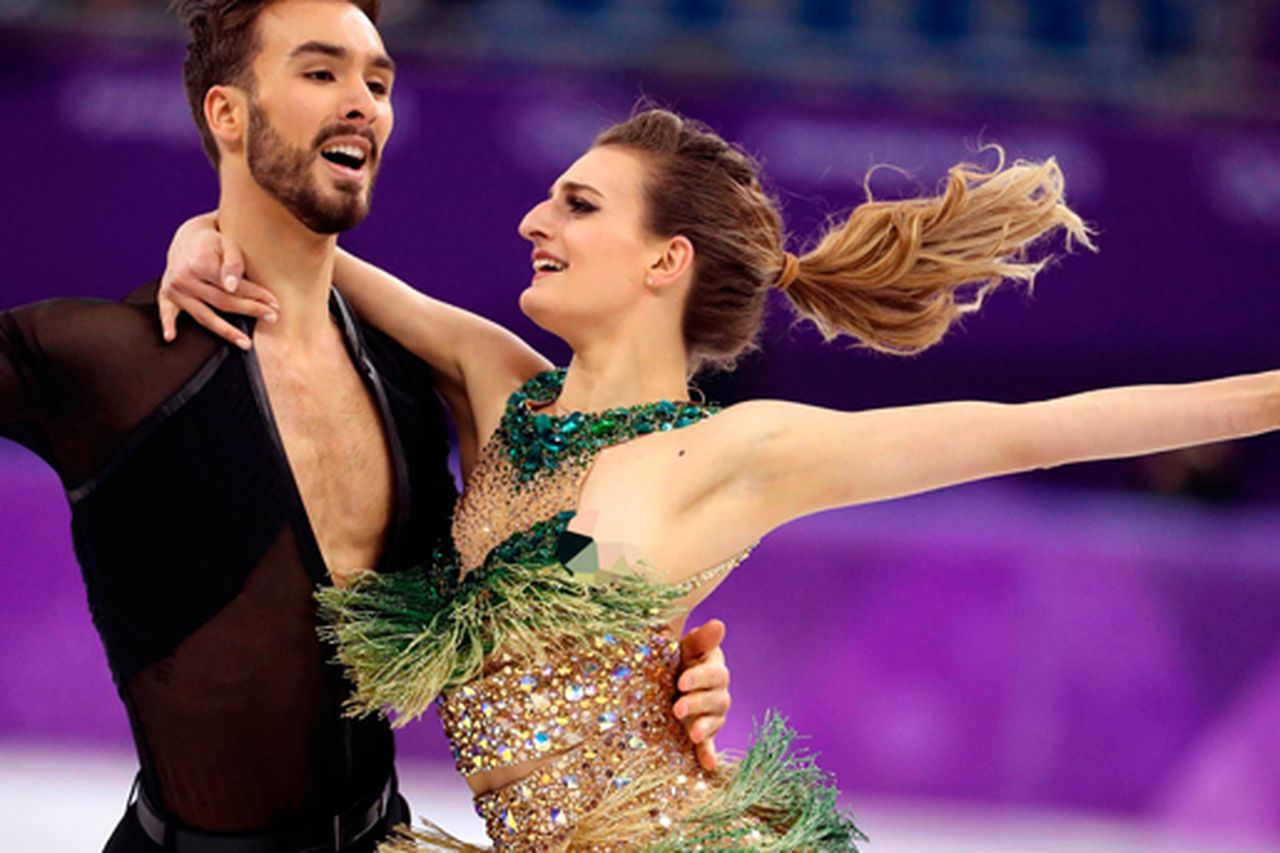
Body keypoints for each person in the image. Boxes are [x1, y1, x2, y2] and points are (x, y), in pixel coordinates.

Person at [162, 107, 1280, 851]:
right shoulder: (496, 384)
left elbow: (1035, 430)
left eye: (577, 204)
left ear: (665, 260)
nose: (531, 219)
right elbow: (276, 243)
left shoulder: (737, 451)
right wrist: (191, 239)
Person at [0, 2, 730, 850]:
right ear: (227, 113)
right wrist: (203, 228)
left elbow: (575, 559)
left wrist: (659, 665)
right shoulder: (108, 359)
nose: (363, 102)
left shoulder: (421, 386)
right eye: (320, 73)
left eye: (377, 81)